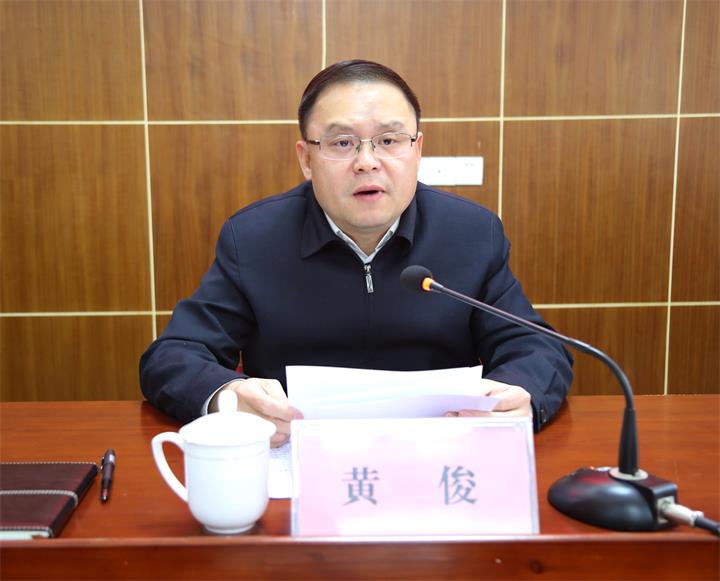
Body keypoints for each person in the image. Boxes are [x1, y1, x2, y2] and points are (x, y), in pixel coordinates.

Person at [140, 59, 573, 447]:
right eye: (343, 143)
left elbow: (536, 348)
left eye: (389, 140)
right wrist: (227, 397)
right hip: (296, 459)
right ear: (306, 159)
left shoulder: (472, 233)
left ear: (417, 150)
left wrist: (521, 394)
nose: (367, 162)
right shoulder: (253, 238)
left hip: (437, 457)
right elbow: (173, 356)